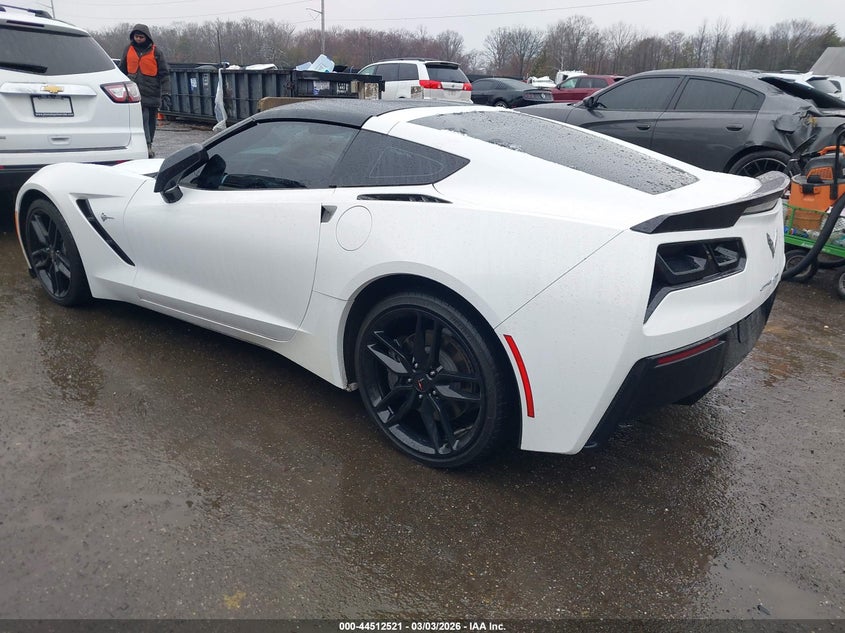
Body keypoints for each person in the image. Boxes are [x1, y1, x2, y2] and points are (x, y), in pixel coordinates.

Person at [118, 24, 171, 158]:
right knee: (143, 118)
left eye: (141, 37)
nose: (138, 39)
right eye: (136, 37)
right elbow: (121, 70)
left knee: (151, 121)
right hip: (134, 93)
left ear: (147, 37)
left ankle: (149, 143)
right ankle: (146, 145)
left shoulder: (156, 52)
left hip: (152, 93)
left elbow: (164, 74)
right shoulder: (128, 50)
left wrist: (166, 93)